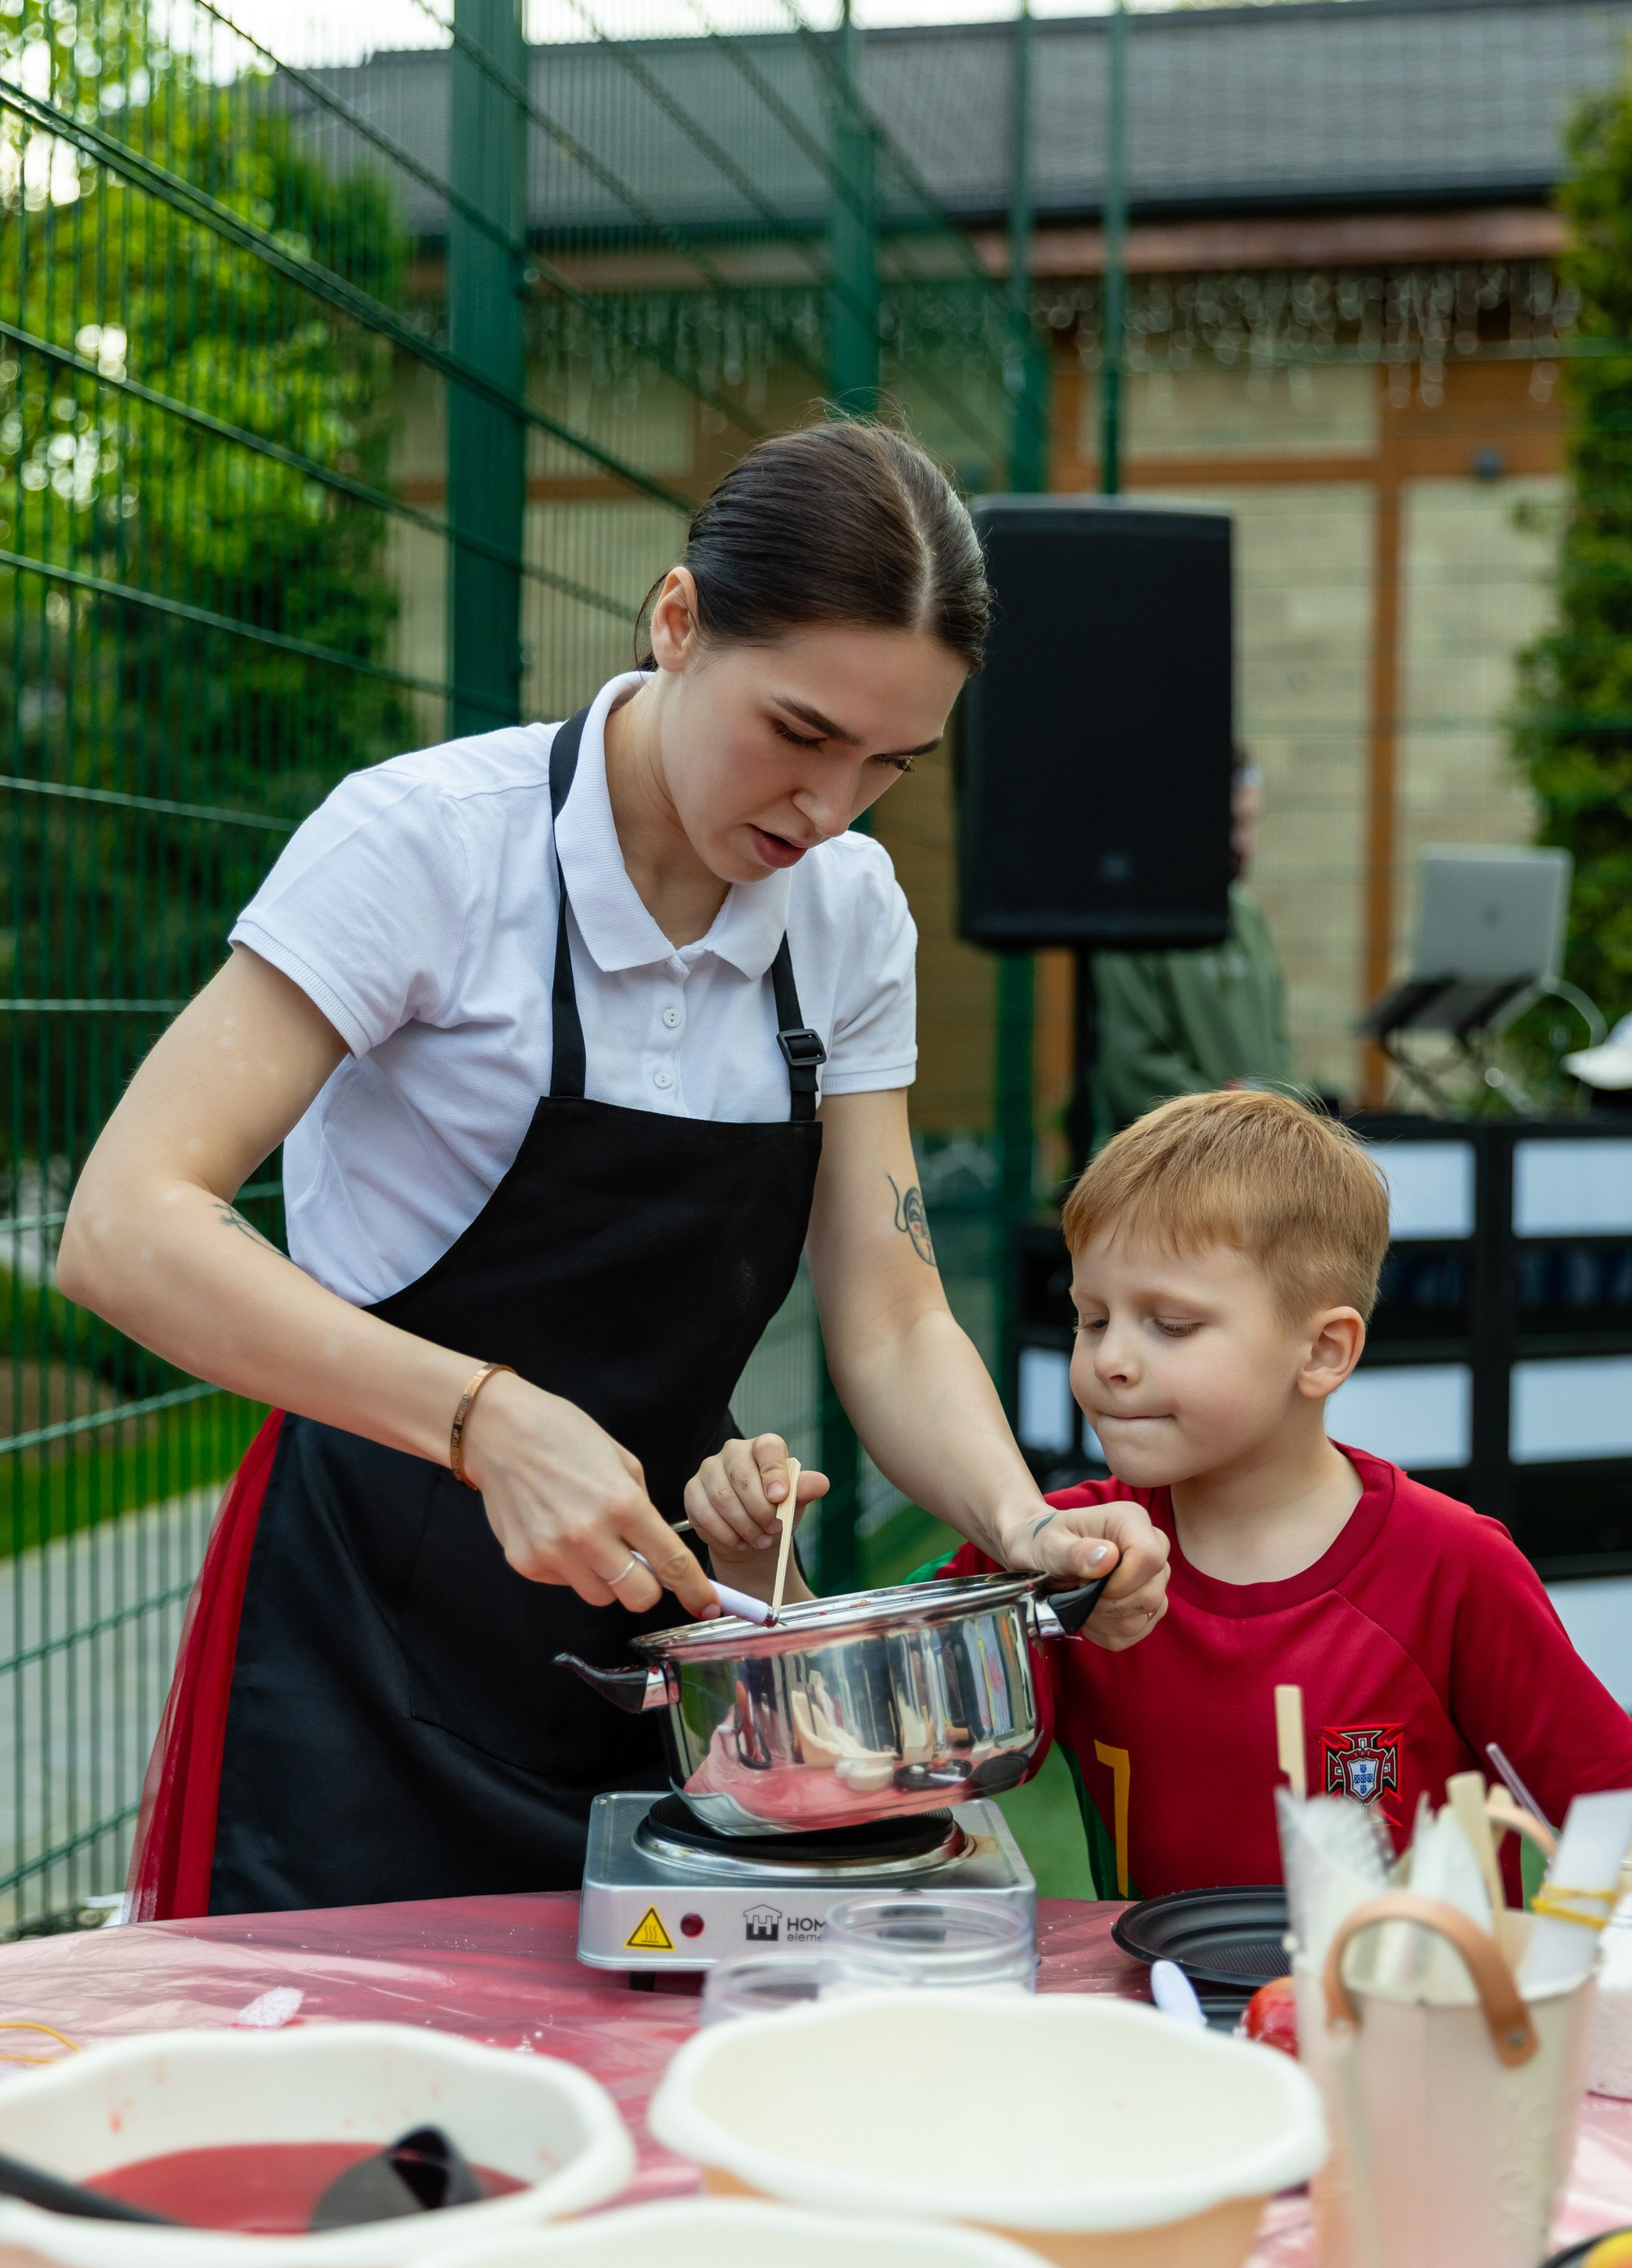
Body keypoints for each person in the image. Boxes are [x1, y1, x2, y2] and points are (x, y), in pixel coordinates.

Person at [59, 420, 1169, 1920]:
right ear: (675, 620)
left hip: (670, 1659)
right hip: (355, 1646)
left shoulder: (848, 916)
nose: (829, 809)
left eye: (889, 766)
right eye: (798, 732)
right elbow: (125, 1228)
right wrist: (483, 1419)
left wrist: (1021, 1518)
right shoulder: (428, 847)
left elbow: (893, 1311)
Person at [914, 1090, 1632, 1901]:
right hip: (1160, 2020)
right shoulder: (1067, 1548)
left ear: (1323, 1350)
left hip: (1403, 2023)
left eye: (1171, 1325)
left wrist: (1549, 1988)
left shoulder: (1453, 1567)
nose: (1108, 1360)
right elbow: (885, 1738)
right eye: (1089, 1318)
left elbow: (1610, 1816)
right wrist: (768, 1566)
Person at [1095, 748, 1305, 1130]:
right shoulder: (1135, 917)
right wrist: (1241, 1121)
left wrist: (1286, 1115)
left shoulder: (1246, 913)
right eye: (1230, 823)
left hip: (1256, 1163)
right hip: (1169, 1170)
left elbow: (1277, 1051)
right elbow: (1136, 1069)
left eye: (1251, 823)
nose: (1243, 843)